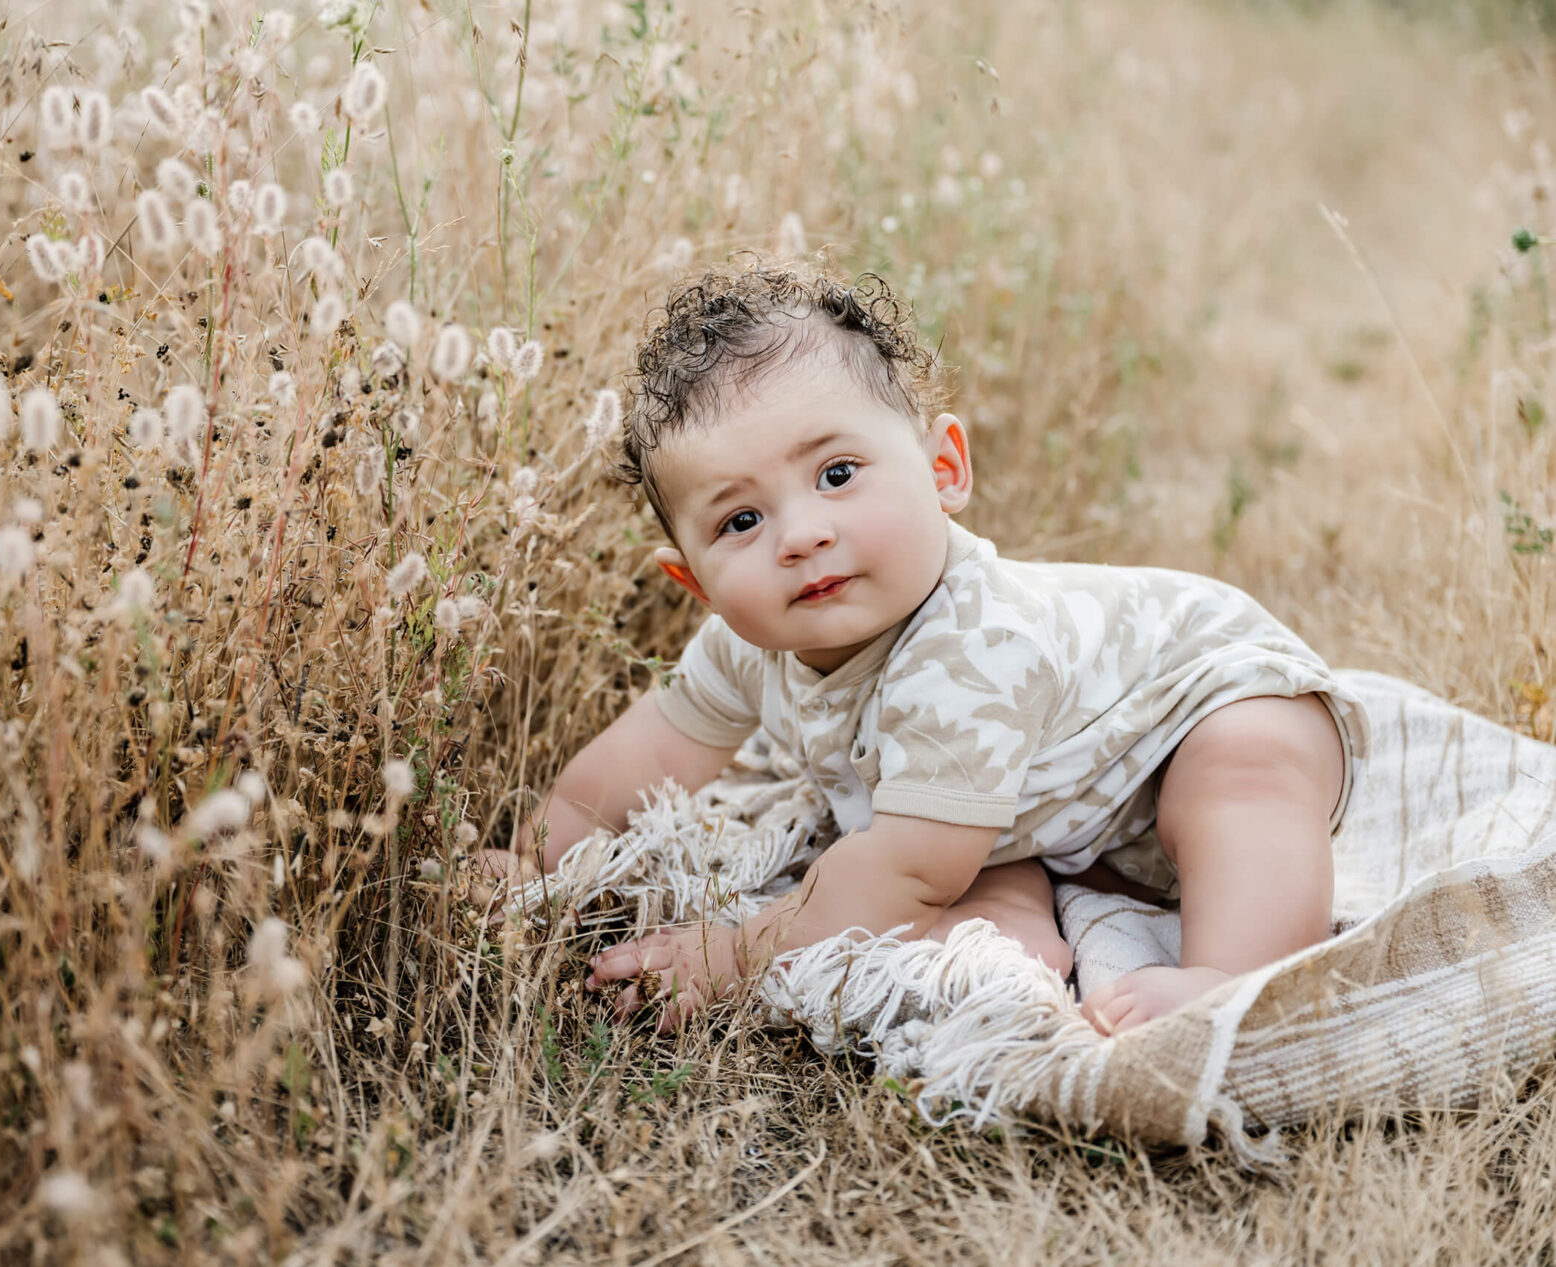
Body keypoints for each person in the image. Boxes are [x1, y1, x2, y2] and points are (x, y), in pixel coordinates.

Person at [484, 262, 1362, 1036]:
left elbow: (905, 867)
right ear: (699, 585)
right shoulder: (743, 647)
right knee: (961, 891)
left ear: (943, 470)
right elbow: (636, 763)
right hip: (1046, 799)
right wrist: (532, 861)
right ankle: (1022, 942)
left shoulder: (974, 647)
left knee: (1240, 780)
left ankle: (1237, 980)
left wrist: (738, 950)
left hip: (1213, 700)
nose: (801, 536)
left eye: (836, 475)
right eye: (742, 520)